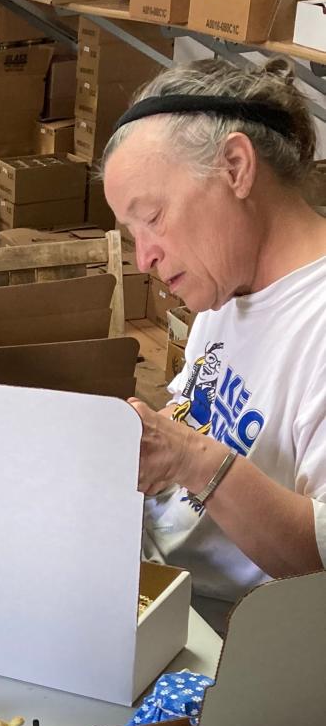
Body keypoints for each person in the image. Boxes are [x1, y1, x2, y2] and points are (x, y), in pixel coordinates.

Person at [102, 57, 326, 623]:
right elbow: (195, 410)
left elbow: (318, 566)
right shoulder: (229, 285)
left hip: (224, 636)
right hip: (155, 574)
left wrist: (191, 458)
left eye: (152, 217)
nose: (144, 256)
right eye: (133, 234)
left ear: (235, 168)